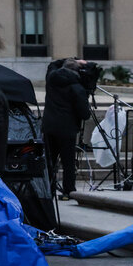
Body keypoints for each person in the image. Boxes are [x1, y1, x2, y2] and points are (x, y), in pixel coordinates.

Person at [42, 59, 92, 200]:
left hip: (49, 127)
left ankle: (47, 190)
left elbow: (51, 64)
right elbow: (85, 114)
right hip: (67, 129)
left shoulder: (51, 79)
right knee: (68, 162)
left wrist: (70, 59)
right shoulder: (77, 87)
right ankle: (68, 190)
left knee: (48, 161)